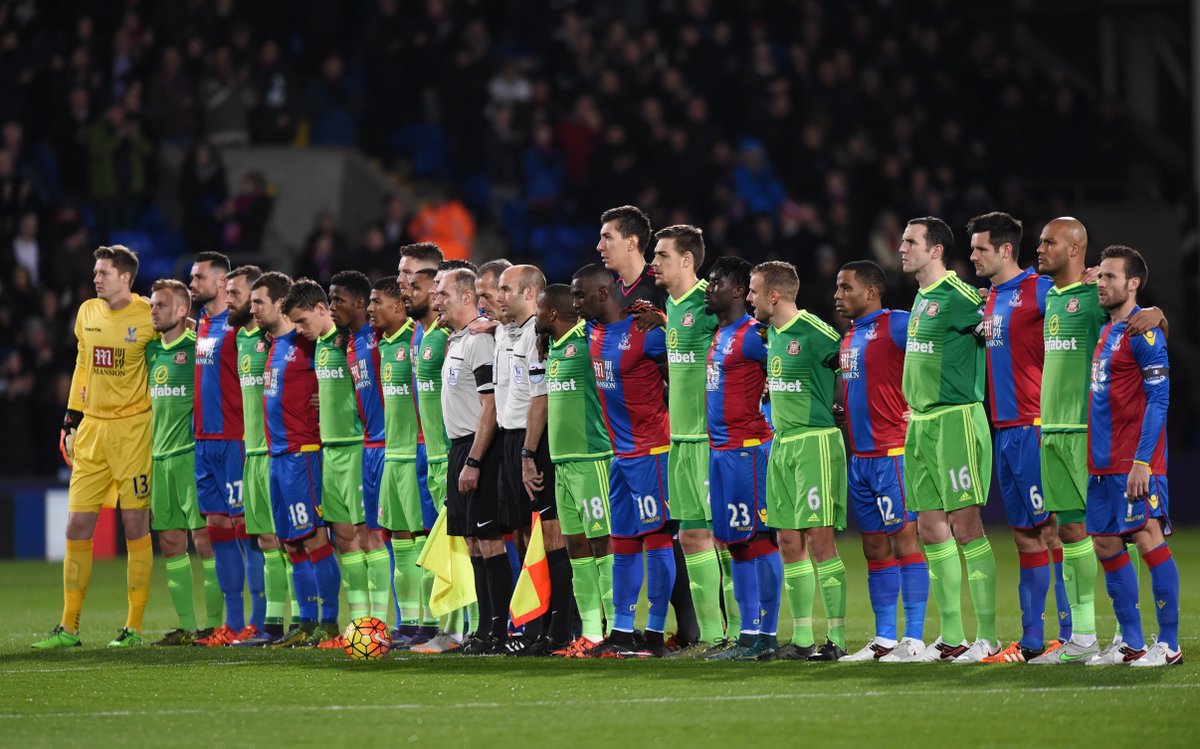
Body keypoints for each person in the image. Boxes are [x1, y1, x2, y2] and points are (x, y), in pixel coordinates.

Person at [1027, 217, 1164, 665]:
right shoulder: (1048, 295)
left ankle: (1148, 637)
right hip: (1051, 429)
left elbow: (1142, 321)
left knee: (1120, 534)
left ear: (1075, 248)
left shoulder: (1096, 294)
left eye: (1050, 242)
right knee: (1068, 532)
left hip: (1091, 434)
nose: (1040, 248)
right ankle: (1082, 635)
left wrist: (1160, 313)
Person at [34, 245, 156, 649]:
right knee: (77, 527)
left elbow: (182, 336)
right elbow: (83, 364)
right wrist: (72, 417)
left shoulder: (148, 315)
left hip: (133, 431)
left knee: (135, 526)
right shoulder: (87, 312)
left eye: (103, 272)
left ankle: (133, 626)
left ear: (125, 277)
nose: (96, 278)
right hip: (92, 430)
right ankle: (68, 628)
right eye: (95, 272)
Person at [966, 212, 1068, 663]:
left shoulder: (1040, 291)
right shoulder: (989, 299)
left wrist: (1152, 313)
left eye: (980, 248)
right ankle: (1030, 642)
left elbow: (1091, 316)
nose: (972, 256)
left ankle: (1070, 636)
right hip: (1003, 430)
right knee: (1024, 536)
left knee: (1054, 531)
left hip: (1034, 427)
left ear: (1005, 250)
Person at [895, 217, 996, 663]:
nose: (901, 247)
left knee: (966, 525)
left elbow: (1002, 321)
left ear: (935, 250)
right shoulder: (922, 297)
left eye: (910, 241)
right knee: (930, 528)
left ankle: (987, 636)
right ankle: (952, 634)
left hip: (955, 421)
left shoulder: (960, 296)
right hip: (920, 423)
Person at [573, 264, 677, 658]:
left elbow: (681, 374)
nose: (575, 302)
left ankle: (653, 634)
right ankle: (621, 631)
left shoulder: (647, 332)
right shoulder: (592, 330)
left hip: (651, 452)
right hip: (620, 457)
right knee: (623, 542)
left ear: (602, 294)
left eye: (581, 295)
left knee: (656, 539)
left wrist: (665, 319)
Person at [747, 260, 849, 662]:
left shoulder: (817, 332)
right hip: (782, 445)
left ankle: (837, 639)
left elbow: (850, 363)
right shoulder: (769, 333)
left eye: (753, 291)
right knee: (788, 541)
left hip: (815, 445)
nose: (749, 298)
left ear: (774, 295)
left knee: (820, 540)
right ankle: (803, 639)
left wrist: (843, 403)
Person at [1085, 246, 1180, 667]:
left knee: (1147, 538)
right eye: (1100, 276)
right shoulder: (1108, 329)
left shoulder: (1144, 332)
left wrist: (1143, 461)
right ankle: (1133, 643)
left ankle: (1169, 645)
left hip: (1134, 462)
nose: (1102, 283)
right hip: (1102, 462)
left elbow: (1159, 400)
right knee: (1106, 543)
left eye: (1110, 277)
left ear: (1134, 283)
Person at [832, 260, 929, 662]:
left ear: (870, 292)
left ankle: (915, 637)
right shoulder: (850, 335)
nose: (838, 295)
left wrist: (921, 407)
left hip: (893, 453)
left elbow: (940, 350)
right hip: (861, 458)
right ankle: (884, 638)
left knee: (905, 540)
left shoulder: (900, 323)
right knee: (874, 547)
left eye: (846, 288)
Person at [652, 225, 730, 656]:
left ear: (687, 260)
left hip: (707, 438)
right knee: (690, 537)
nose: (654, 263)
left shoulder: (708, 303)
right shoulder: (672, 304)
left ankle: (744, 631)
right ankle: (714, 636)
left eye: (662, 256)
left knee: (725, 537)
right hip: (678, 439)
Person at [252, 272, 342, 647]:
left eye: (259, 302)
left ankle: (330, 621)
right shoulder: (274, 344)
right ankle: (304, 621)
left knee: (316, 538)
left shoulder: (310, 343)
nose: (253, 309)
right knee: (291, 543)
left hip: (301, 455)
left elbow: (337, 373)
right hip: (277, 456)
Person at [700, 257, 783, 661]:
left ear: (737, 291)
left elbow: (788, 364)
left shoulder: (754, 335)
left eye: (715, 282)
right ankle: (749, 634)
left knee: (757, 540)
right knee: (736, 543)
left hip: (747, 451)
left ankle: (763, 635)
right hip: (721, 453)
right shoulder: (720, 334)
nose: (708, 287)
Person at [493, 264, 574, 655]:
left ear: (530, 295)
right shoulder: (508, 333)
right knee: (528, 537)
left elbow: (539, 398)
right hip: (515, 439)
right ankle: (539, 625)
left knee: (551, 534)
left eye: (506, 289)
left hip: (535, 443)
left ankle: (563, 626)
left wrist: (528, 452)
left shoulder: (536, 337)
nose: (498, 296)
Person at [535, 284, 616, 658]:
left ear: (552, 312)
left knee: (603, 543)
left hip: (593, 458)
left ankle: (617, 631)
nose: (535, 316)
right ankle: (590, 634)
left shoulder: (589, 337)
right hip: (562, 462)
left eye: (539, 310)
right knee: (576, 548)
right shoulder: (552, 347)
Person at [437, 267, 515, 654]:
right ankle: (484, 629)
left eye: (444, 293)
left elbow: (491, 405)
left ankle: (499, 631)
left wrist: (475, 461)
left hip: (477, 448)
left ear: (467, 297)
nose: (437, 299)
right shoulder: (458, 340)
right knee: (472, 541)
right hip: (459, 448)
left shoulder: (481, 342)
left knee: (489, 540)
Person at [191, 251, 260, 647]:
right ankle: (232, 625)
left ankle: (259, 620)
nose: (192, 283)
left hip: (234, 439)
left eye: (199, 278)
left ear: (220, 284)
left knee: (244, 530)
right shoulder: (201, 323)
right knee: (216, 531)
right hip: (204, 442)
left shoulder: (240, 331)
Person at [283, 279, 357, 648]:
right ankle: (352, 626)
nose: (300, 330)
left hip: (357, 448)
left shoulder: (348, 341)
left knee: (367, 540)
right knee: (344, 539)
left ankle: (373, 622)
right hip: (328, 451)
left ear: (322, 309)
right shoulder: (320, 347)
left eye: (301, 321)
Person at [228, 264, 288, 643]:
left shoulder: (291, 341)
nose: (250, 308)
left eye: (254, 301)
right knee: (265, 541)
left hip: (282, 453)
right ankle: (273, 624)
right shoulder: (242, 340)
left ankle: (307, 620)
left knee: (294, 541)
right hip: (252, 454)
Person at [144, 280, 203, 646]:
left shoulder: (197, 349)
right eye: (152, 306)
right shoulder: (150, 351)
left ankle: (215, 626)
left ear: (182, 311)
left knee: (206, 540)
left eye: (161, 306)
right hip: (159, 458)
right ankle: (187, 626)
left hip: (191, 456)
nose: (153, 311)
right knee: (170, 542)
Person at [367, 276, 423, 643]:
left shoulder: (417, 337)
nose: (371, 309)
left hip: (418, 450)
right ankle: (410, 624)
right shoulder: (380, 344)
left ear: (399, 306)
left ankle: (435, 625)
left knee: (424, 540)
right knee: (399, 540)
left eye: (377, 302)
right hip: (393, 454)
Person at [334, 270, 393, 624]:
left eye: (338, 300)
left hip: (394, 444)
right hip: (371, 446)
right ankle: (375, 620)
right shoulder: (351, 342)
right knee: (370, 534)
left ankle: (406, 621)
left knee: (393, 535)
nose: (332, 307)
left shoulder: (381, 336)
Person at [596, 204, 668, 310]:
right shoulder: (611, 297)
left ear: (631, 243)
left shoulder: (665, 285)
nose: (599, 247)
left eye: (608, 238)